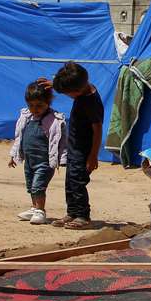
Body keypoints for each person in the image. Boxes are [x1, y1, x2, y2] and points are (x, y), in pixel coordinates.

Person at [49, 62, 104, 229]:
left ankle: (82, 215)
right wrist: (54, 84)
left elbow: (98, 129)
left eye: (67, 93)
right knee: (70, 181)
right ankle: (72, 212)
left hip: (84, 150)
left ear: (77, 91)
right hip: (74, 147)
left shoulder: (91, 102)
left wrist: (93, 156)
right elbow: (72, 81)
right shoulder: (83, 89)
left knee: (78, 181)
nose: (68, 96)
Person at [8, 80, 66, 226]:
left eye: (39, 105)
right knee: (31, 185)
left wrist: (62, 159)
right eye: (31, 105)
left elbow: (60, 141)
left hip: (44, 162)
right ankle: (34, 208)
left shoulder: (54, 120)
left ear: (48, 102)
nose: (35, 109)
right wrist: (13, 155)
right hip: (29, 160)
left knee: (38, 186)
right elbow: (19, 137)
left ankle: (41, 211)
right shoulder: (26, 118)